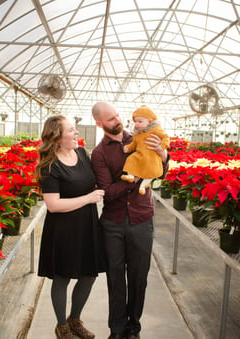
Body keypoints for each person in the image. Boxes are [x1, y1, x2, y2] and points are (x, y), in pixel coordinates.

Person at [91, 102, 169, 339]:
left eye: (117, 116)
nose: (118, 121)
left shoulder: (143, 137)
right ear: (100, 123)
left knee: (138, 277)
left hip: (141, 219)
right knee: (115, 279)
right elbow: (107, 191)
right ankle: (116, 329)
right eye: (111, 119)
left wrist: (163, 154)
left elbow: (161, 172)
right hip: (113, 222)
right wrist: (133, 180)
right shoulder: (99, 153)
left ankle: (134, 327)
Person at [35, 115, 106, 339]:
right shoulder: (49, 166)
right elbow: (53, 205)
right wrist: (88, 198)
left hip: (86, 225)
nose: (77, 134)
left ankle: (74, 319)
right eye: (72, 131)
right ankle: (61, 325)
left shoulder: (82, 154)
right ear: (57, 138)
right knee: (62, 277)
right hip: (63, 229)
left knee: (88, 275)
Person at [121, 105, 170, 195]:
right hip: (140, 155)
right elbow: (134, 143)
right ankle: (130, 176)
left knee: (151, 171)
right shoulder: (138, 134)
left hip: (152, 157)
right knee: (131, 159)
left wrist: (161, 147)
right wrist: (128, 148)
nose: (136, 124)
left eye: (140, 121)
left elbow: (166, 137)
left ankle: (143, 186)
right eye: (135, 121)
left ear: (149, 121)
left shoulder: (156, 130)